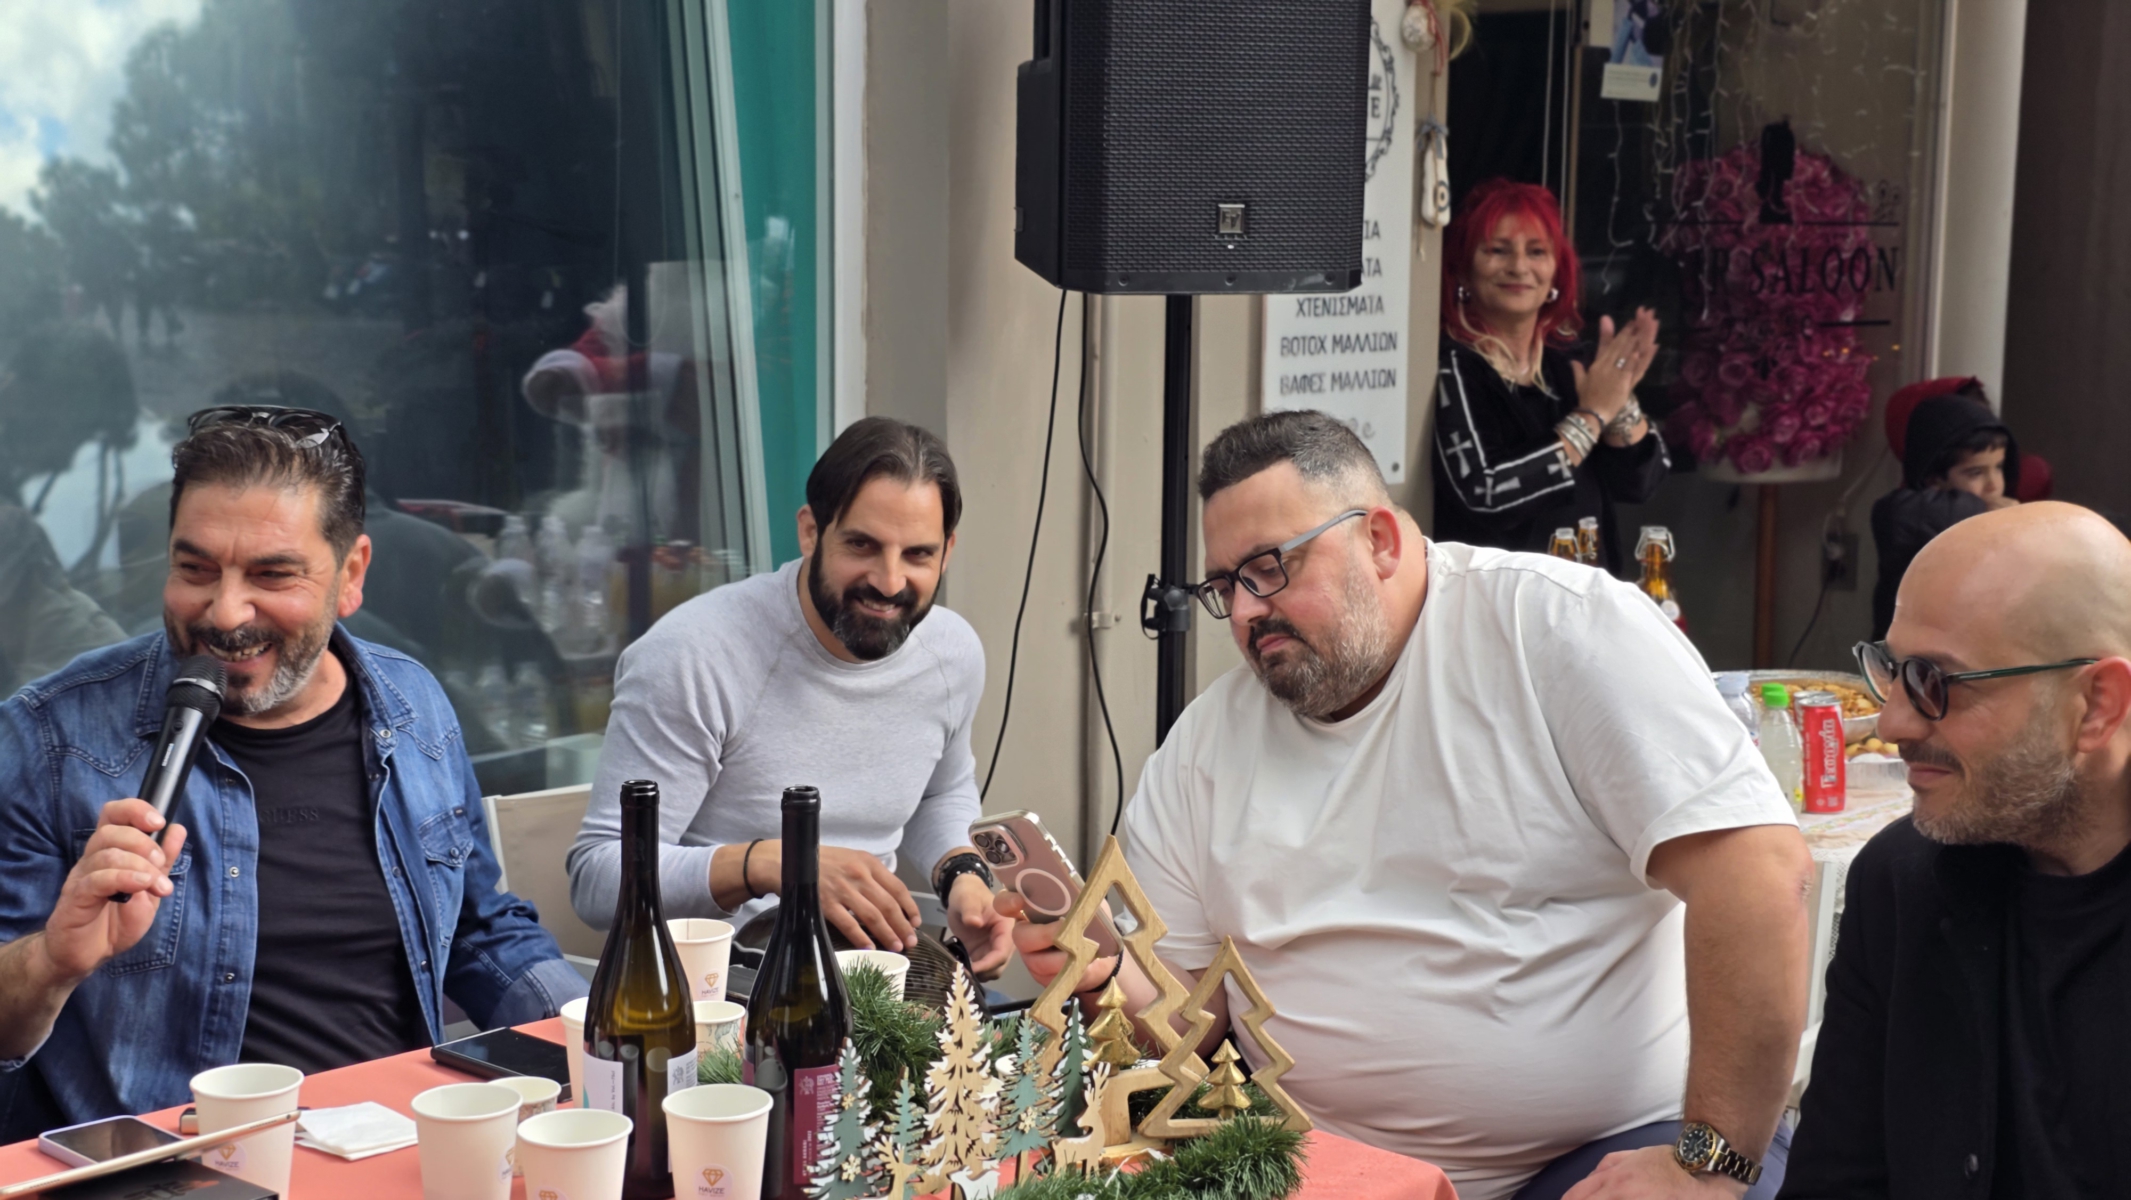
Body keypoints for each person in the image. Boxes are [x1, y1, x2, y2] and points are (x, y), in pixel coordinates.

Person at [1007, 411, 1811, 1200]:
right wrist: (1102, 969)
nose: (1245, 611)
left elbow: (1757, 875)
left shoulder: (1554, 627)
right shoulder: (1205, 744)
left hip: (1609, 1152)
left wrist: (1706, 1164)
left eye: (1269, 568)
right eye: (1224, 586)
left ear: (1381, 542)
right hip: (1325, 1169)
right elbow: (1192, 1020)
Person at [0, 405, 585, 1137]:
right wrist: (53, 961)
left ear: (352, 574)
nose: (225, 612)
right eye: (195, 569)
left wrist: (601, 1038)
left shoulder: (413, 705)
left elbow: (479, 929)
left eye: (272, 574)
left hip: (402, 1149)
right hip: (173, 1170)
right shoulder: (49, 738)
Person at [569, 417, 1013, 972]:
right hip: (719, 986)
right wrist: (772, 865)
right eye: (862, 545)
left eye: (917, 554)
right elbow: (598, 876)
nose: (889, 581)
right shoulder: (693, 655)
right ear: (810, 532)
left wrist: (963, 875)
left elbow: (939, 794)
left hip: (877, 976)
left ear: (946, 552)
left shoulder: (951, 651)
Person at [1782, 502, 2131, 1198]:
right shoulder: (1899, 881)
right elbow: (1833, 1178)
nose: (1891, 723)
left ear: (2096, 705)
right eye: (1892, 670)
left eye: (1936, 683)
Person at [1432, 179, 1669, 574]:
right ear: (1463, 270)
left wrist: (1619, 403)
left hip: (1586, 593)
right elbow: (1486, 494)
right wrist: (1591, 417)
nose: (1518, 266)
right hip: (1499, 601)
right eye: (1497, 250)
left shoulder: (1568, 361)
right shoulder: (1453, 367)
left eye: (1536, 251)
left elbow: (1642, 482)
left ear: (1557, 272)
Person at [1869, 377, 2019, 639]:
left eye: (1999, 467)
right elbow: (1904, 516)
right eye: (1975, 472)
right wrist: (1989, 515)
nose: (1994, 484)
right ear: (1934, 480)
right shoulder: (1905, 513)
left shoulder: (1998, 514)